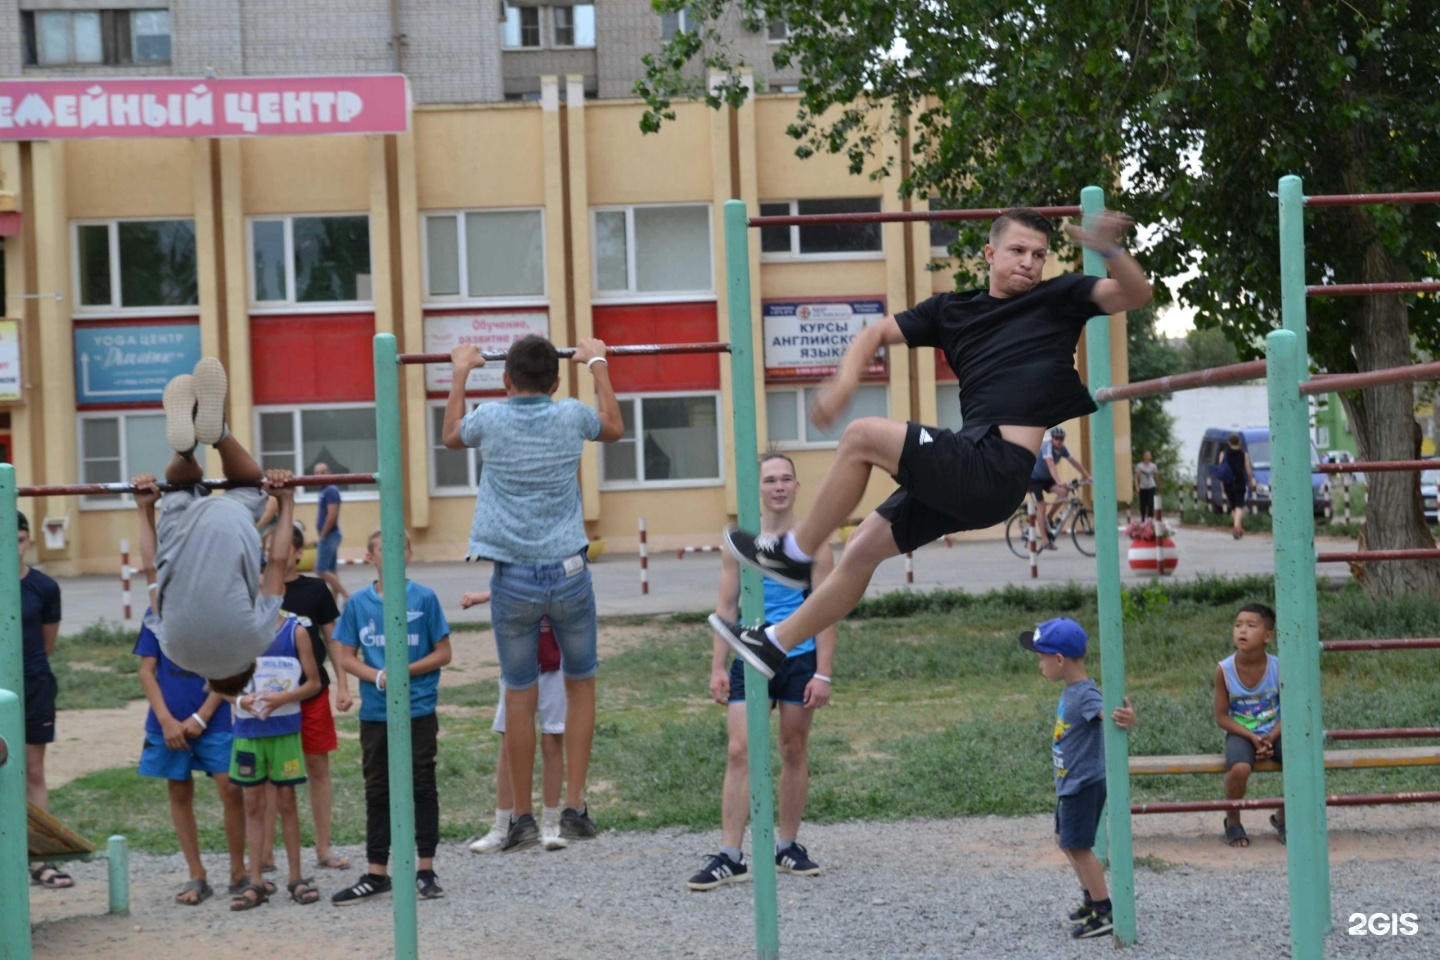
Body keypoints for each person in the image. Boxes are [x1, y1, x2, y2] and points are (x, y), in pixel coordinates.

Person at [715, 208, 1153, 677]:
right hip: (969, 473)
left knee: (862, 435)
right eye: (1018, 251)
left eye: (1039, 255)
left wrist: (1108, 248)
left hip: (995, 467)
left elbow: (1136, 293)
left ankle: (793, 554)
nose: (1029, 262)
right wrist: (845, 381)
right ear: (990, 253)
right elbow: (878, 331)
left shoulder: (1059, 297)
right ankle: (775, 643)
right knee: (861, 548)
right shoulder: (951, 310)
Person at [442, 334, 624, 851]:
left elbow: (451, 435)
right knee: (580, 684)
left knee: (518, 695)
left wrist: (459, 370)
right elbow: (613, 426)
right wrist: (598, 363)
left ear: (505, 380)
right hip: (568, 574)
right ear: (557, 380)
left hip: (514, 578)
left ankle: (520, 817)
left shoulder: (490, 418)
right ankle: (573, 806)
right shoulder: (570, 414)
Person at [693, 452, 836, 890]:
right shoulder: (741, 544)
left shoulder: (814, 545)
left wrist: (823, 673)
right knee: (740, 751)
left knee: (793, 749)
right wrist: (718, 665)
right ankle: (730, 855)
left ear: (796, 487)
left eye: (785, 479)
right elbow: (726, 606)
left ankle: (787, 846)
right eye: (770, 479)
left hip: (799, 658)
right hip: (750, 657)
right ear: (759, 488)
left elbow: (827, 610)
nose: (778, 486)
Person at [138, 357, 292, 690]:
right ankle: (184, 451)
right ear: (210, 680)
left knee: (249, 483)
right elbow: (152, 571)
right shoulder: (174, 652)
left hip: (230, 527)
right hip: (176, 537)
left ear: (251, 667)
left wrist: (285, 501)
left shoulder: (258, 642)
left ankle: (218, 434)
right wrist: (144, 509)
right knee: (179, 487)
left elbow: (278, 562)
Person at [331, 528, 452, 904]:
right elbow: (345, 654)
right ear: (370, 558)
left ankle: (426, 868)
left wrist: (404, 671)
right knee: (378, 788)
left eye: (400, 547)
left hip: (417, 707)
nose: (393, 553)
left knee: (421, 784)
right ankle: (376, 872)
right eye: (384, 549)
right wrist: (379, 676)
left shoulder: (425, 598)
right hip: (377, 713)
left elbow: (443, 652)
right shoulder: (359, 605)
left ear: (410, 554)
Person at [1019, 617, 1136, 940]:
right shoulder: (1073, 690)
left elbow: (1106, 712)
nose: (1040, 665)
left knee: (1079, 847)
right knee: (1065, 841)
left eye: (1041, 658)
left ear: (1059, 659)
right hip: (1071, 782)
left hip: (1084, 783)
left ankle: (1103, 910)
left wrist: (1125, 716)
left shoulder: (1085, 693)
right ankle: (1090, 899)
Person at [134, 610, 248, 904]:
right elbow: (147, 670)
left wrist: (203, 715)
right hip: (168, 719)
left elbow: (229, 670)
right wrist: (165, 720)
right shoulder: (157, 613)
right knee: (179, 789)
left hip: (216, 717)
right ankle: (196, 874)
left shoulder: (217, 611)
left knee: (231, 788)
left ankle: (239, 871)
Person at [227, 609, 323, 910]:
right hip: (248, 732)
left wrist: (280, 698)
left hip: (284, 731)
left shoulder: (295, 631)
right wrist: (240, 700)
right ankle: (255, 880)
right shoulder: (233, 629)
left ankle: (296, 876)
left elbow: (314, 683)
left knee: (287, 801)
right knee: (253, 803)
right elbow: (219, 682)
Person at [462, 592, 570, 854]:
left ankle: (551, 824)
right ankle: (503, 827)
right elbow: (510, 584)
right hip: (515, 666)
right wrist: (484, 596)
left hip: (555, 666)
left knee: (552, 740)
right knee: (509, 743)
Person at [281, 521, 353, 871]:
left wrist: (343, 682)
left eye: (283, 547)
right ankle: (265, 854)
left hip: (312, 694)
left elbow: (334, 638)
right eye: (269, 548)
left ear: (297, 552)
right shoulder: (255, 590)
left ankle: (323, 848)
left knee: (317, 767)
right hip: (272, 700)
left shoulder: (316, 590)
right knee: (271, 774)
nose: (274, 553)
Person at [17, 511, 70, 890]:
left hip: (33, 685)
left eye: (19, 538)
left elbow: (47, 643)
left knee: (33, 771)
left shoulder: (44, 587)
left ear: (28, 541)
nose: (13, 546)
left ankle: (39, 859)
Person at [1213, 602, 1282, 848]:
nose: (1242, 631)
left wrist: (1271, 737)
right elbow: (1221, 716)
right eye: (1238, 625)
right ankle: (1232, 821)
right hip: (1241, 733)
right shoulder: (1224, 670)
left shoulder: (1279, 667)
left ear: (1268, 636)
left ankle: (1283, 817)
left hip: (1276, 730)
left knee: (1299, 758)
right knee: (1240, 768)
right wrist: (1253, 738)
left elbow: (1290, 711)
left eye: (1251, 626)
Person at [1030, 426, 1093, 532]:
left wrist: (1087, 476)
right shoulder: (1047, 447)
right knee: (1041, 507)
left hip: (1046, 478)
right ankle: (1045, 540)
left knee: (1063, 493)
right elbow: (1051, 465)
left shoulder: (1063, 448)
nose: (1059, 441)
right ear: (1052, 438)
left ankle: (1049, 517)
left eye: (1061, 439)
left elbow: (1074, 462)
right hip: (1034, 479)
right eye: (1056, 438)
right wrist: (1058, 481)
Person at [313, 462, 348, 606]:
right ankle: (333, 606)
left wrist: (323, 535)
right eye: (317, 473)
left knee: (320, 570)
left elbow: (332, 515)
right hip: (329, 535)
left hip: (329, 535)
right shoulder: (323, 490)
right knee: (331, 571)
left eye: (324, 472)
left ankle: (346, 595)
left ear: (330, 473)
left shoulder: (330, 490)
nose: (320, 475)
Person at [1217, 434, 1256, 539]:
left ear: (1229, 442)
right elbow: (1248, 471)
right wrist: (1251, 482)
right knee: (1239, 506)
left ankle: (1238, 529)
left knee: (1234, 507)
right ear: (1239, 442)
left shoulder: (1223, 454)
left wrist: (1222, 485)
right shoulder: (1244, 455)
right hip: (1239, 482)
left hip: (1228, 483)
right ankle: (1236, 527)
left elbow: (1221, 471)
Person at [1133, 449, 1161, 521]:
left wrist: (1159, 484)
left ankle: (1150, 519)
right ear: (1143, 456)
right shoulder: (1139, 466)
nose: (1148, 456)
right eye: (1146, 455)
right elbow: (1136, 477)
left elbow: (1156, 476)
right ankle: (1143, 519)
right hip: (1143, 487)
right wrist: (1137, 486)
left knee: (1151, 504)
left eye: (1149, 455)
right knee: (1143, 505)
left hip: (1151, 487)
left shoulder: (1153, 466)